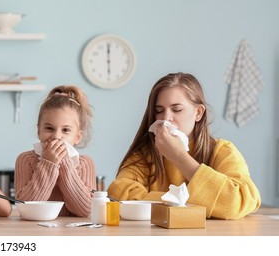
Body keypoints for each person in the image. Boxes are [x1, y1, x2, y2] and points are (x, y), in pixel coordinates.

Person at [107, 72, 261, 219]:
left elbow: (239, 201)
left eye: (177, 109)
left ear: (198, 113)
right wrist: (185, 202)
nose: (166, 118)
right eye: (159, 111)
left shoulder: (222, 151)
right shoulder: (145, 155)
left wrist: (179, 157)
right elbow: (118, 193)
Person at [14, 85, 96, 217]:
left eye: (65, 130)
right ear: (38, 131)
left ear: (78, 137)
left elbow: (86, 210)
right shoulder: (25, 160)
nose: (57, 136)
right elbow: (27, 208)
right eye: (49, 128)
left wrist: (64, 163)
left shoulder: (85, 164)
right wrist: (48, 164)